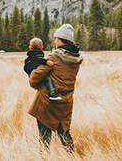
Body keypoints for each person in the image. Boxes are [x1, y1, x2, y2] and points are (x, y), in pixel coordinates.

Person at [28, 24, 84, 152]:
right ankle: (71, 157)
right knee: (65, 135)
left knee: (44, 140)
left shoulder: (53, 58)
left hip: (47, 104)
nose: (54, 41)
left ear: (61, 39)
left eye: (56, 38)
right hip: (65, 103)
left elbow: (33, 79)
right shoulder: (75, 58)